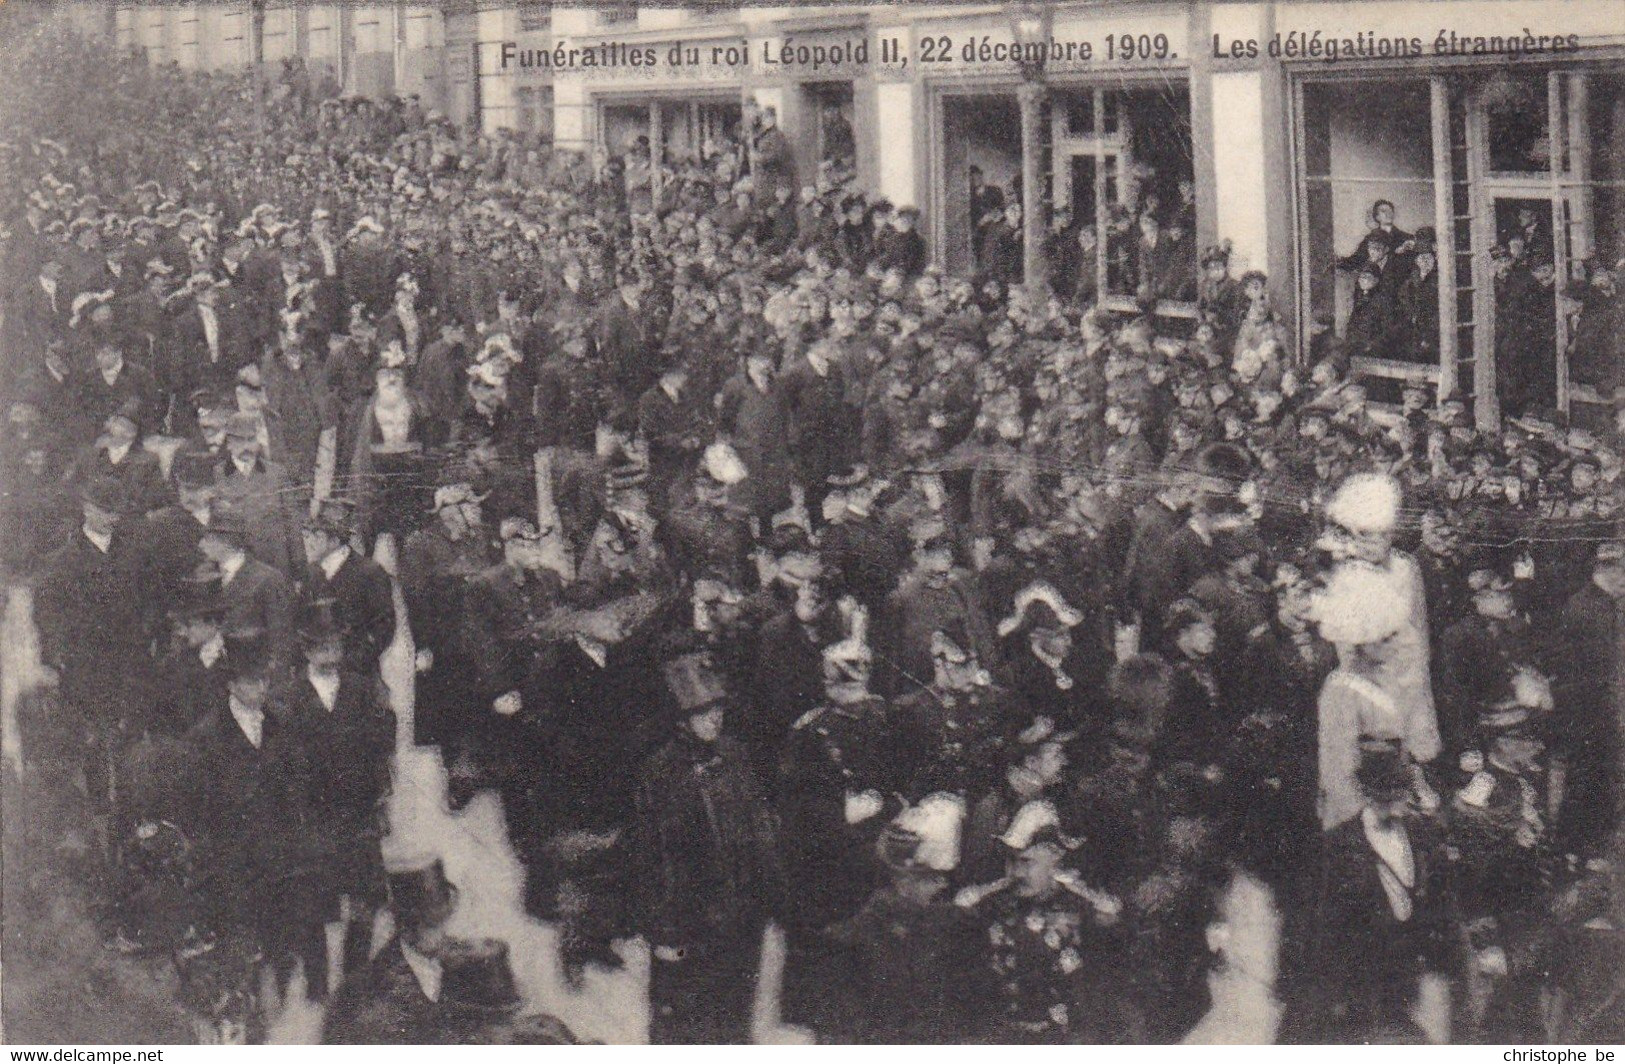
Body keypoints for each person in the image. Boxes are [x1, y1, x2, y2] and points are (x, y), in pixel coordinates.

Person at [629, 651, 783, 1044]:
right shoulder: (660, 772)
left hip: (741, 918)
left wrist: (768, 895)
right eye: (703, 710)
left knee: (733, 1017)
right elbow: (654, 858)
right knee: (682, 1021)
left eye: (718, 708)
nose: (716, 717)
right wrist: (665, 933)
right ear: (681, 718)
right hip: (691, 925)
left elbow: (760, 826)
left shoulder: (735, 754)